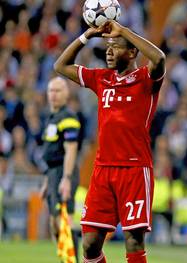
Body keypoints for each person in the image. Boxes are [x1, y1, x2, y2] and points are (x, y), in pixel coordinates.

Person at [54, 20, 166, 263]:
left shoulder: (146, 79)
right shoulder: (101, 78)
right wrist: (86, 36)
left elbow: (159, 59)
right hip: (103, 170)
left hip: (135, 170)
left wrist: (123, 31)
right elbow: (60, 65)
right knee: (90, 244)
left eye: (115, 46)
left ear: (132, 51)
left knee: (134, 240)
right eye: (107, 46)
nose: (109, 50)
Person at [39, 77, 81, 261]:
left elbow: (70, 150)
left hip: (64, 172)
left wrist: (66, 178)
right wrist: (47, 181)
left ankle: (73, 259)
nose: (53, 95)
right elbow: (51, 154)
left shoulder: (69, 118)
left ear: (66, 94)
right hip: (53, 173)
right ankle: (65, 257)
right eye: (51, 91)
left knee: (64, 219)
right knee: (54, 223)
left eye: (58, 91)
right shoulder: (51, 118)